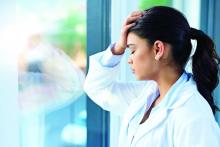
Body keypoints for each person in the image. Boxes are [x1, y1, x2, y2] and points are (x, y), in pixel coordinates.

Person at [84, 6, 220, 147]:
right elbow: (97, 89)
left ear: (158, 49)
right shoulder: (147, 95)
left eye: (132, 50)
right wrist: (118, 48)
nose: (129, 59)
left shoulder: (193, 114)